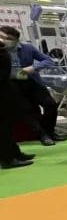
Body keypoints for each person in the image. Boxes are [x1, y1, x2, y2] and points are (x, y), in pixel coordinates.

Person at [0, 26, 58, 145]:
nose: (5, 40)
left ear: (16, 39)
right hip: (12, 84)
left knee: (50, 105)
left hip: (31, 80)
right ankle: (42, 135)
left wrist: (33, 67)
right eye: (3, 37)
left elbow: (48, 61)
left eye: (9, 38)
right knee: (26, 110)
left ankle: (50, 131)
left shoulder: (28, 48)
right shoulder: (1, 51)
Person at [0, 41, 33, 169]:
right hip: (2, 92)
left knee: (8, 126)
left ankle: (15, 153)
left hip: (6, 91)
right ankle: (8, 159)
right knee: (3, 128)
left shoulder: (3, 51)